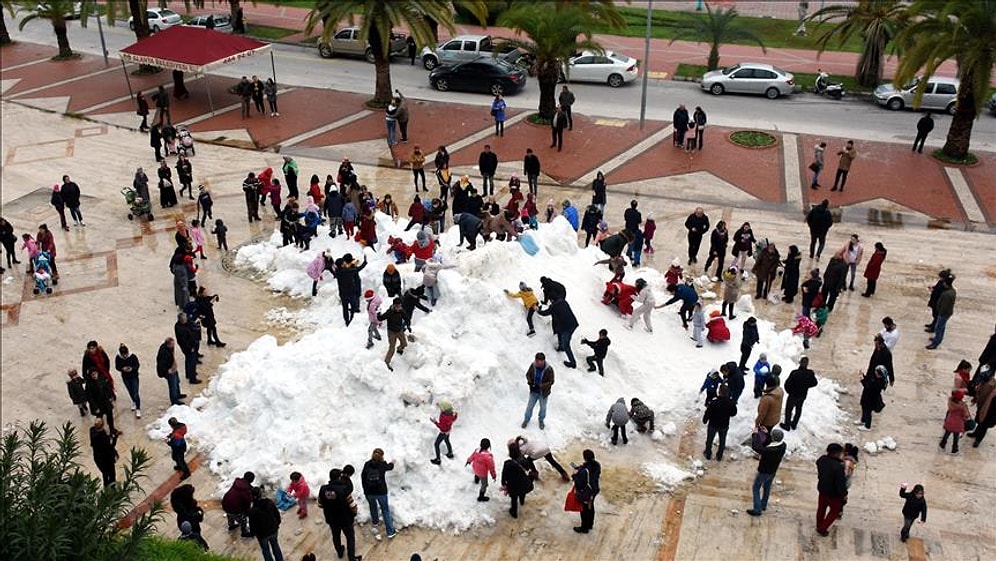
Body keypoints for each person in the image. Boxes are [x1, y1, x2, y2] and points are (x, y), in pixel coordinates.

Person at [319, 469, 361, 561]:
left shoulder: (323, 489)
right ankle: (351, 558)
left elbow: (320, 504)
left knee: (336, 536)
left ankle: (339, 551)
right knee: (350, 538)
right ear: (339, 477)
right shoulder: (344, 489)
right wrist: (354, 513)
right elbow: (352, 505)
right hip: (345, 519)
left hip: (331, 519)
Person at [746, 426, 786, 516]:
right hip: (773, 471)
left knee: (756, 488)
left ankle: (757, 509)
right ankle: (763, 504)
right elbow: (772, 442)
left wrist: (755, 434)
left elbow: (757, 447)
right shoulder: (783, 446)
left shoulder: (769, 450)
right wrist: (767, 434)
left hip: (764, 471)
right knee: (767, 487)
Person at [361, 448, 397, 539]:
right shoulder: (382, 465)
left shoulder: (367, 464)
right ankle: (390, 532)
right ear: (382, 456)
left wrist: (366, 491)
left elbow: (363, 477)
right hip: (381, 492)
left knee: (373, 507)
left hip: (369, 493)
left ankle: (375, 522)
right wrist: (392, 462)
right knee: (385, 510)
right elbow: (390, 467)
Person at [815, 443, 848, 536]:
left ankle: (819, 524)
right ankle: (822, 528)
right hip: (834, 495)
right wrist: (844, 494)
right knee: (834, 511)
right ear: (837, 454)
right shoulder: (838, 467)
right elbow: (840, 484)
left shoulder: (822, 460)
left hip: (822, 489)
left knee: (821, 508)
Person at [537, 297, 579, 368]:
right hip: (573, 324)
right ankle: (561, 347)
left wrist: (538, 310)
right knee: (560, 332)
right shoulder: (563, 302)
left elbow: (545, 313)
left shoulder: (554, 307)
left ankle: (573, 363)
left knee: (566, 345)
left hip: (566, 328)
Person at [248, 488, 285, 561]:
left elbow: (252, 525)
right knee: (275, 546)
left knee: (265, 550)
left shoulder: (253, 511)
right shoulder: (269, 503)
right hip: (273, 530)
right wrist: (277, 523)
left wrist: (253, 533)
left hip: (262, 535)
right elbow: (277, 514)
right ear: (260, 495)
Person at [782, 356, 818, 431]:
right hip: (802, 395)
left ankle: (787, 425)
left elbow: (787, 384)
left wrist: (790, 391)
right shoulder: (810, 373)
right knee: (798, 409)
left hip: (793, 395)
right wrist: (807, 386)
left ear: (800, 363)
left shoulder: (795, 373)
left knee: (789, 410)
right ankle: (794, 424)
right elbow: (814, 383)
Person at [702, 384, 737, 461]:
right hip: (724, 425)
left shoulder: (714, 402)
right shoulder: (730, 403)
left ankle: (708, 453)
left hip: (713, 425)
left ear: (719, 392)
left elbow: (708, 412)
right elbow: (733, 413)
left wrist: (705, 420)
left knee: (710, 439)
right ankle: (719, 456)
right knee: (722, 440)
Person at [521, 352, 555, 429]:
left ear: (543, 361)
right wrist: (530, 382)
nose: (537, 363)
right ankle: (526, 419)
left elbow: (551, 381)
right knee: (529, 406)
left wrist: (541, 386)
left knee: (543, 408)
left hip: (543, 393)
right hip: (534, 391)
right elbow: (528, 374)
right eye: (536, 361)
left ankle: (541, 420)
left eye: (539, 362)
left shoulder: (549, 369)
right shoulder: (533, 366)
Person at [501, 442, 534, 519]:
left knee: (514, 499)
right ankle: (522, 501)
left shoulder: (507, 464)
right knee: (522, 492)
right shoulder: (524, 459)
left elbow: (504, 475)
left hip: (513, 485)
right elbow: (528, 468)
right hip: (524, 482)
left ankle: (514, 512)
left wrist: (503, 483)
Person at [571, 449, 601, 534]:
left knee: (584, 509)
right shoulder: (597, 465)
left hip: (586, 492)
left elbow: (579, 483)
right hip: (594, 489)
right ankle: (590, 524)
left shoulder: (584, 471)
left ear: (585, 458)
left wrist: (575, 475)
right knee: (590, 506)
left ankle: (584, 527)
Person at [222, 471, 256, 536]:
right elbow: (247, 504)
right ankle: (244, 532)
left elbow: (246, 486)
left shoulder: (237, 482)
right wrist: (247, 512)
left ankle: (231, 525)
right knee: (243, 519)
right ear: (251, 480)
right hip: (234, 508)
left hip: (225, 502)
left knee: (229, 514)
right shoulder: (246, 492)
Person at [926, 275, 956, 350]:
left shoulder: (947, 294)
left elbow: (944, 306)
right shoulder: (952, 291)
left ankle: (935, 343)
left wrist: (939, 311)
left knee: (939, 328)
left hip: (943, 314)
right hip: (945, 313)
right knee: (940, 327)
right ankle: (937, 339)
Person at [857, 364, 889, 431]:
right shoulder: (876, 378)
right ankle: (863, 420)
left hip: (871, 399)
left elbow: (868, 386)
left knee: (868, 411)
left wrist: (862, 380)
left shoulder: (879, 382)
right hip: (866, 397)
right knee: (864, 408)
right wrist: (863, 376)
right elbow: (868, 381)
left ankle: (867, 426)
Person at [114, 344, 141, 419]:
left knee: (135, 392)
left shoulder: (133, 356)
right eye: (123, 355)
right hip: (125, 377)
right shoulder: (118, 358)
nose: (125, 356)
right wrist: (122, 369)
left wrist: (132, 368)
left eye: (126, 354)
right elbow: (117, 367)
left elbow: (137, 365)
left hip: (134, 376)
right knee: (130, 391)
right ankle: (134, 402)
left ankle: (138, 409)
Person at [940, 389, 971, 454]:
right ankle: (954, 448)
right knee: (956, 436)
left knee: (947, 433)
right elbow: (966, 415)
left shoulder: (950, 402)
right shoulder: (963, 406)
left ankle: (942, 444)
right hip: (958, 424)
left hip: (950, 421)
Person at [89, 417, 118, 487]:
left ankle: (106, 487)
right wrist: (115, 438)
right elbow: (110, 447)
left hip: (98, 458)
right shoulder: (103, 437)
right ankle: (113, 489)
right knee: (112, 475)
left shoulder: (92, 430)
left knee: (105, 474)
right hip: (107, 459)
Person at [429, 401, 458, 465]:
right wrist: (456, 414)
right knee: (447, 440)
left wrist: (434, 422)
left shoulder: (443, 417)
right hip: (448, 430)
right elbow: (454, 418)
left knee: (436, 444)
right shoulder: (451, 414)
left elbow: (441, 427)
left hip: (443, 432)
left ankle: (438, 459)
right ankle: (450, 453)